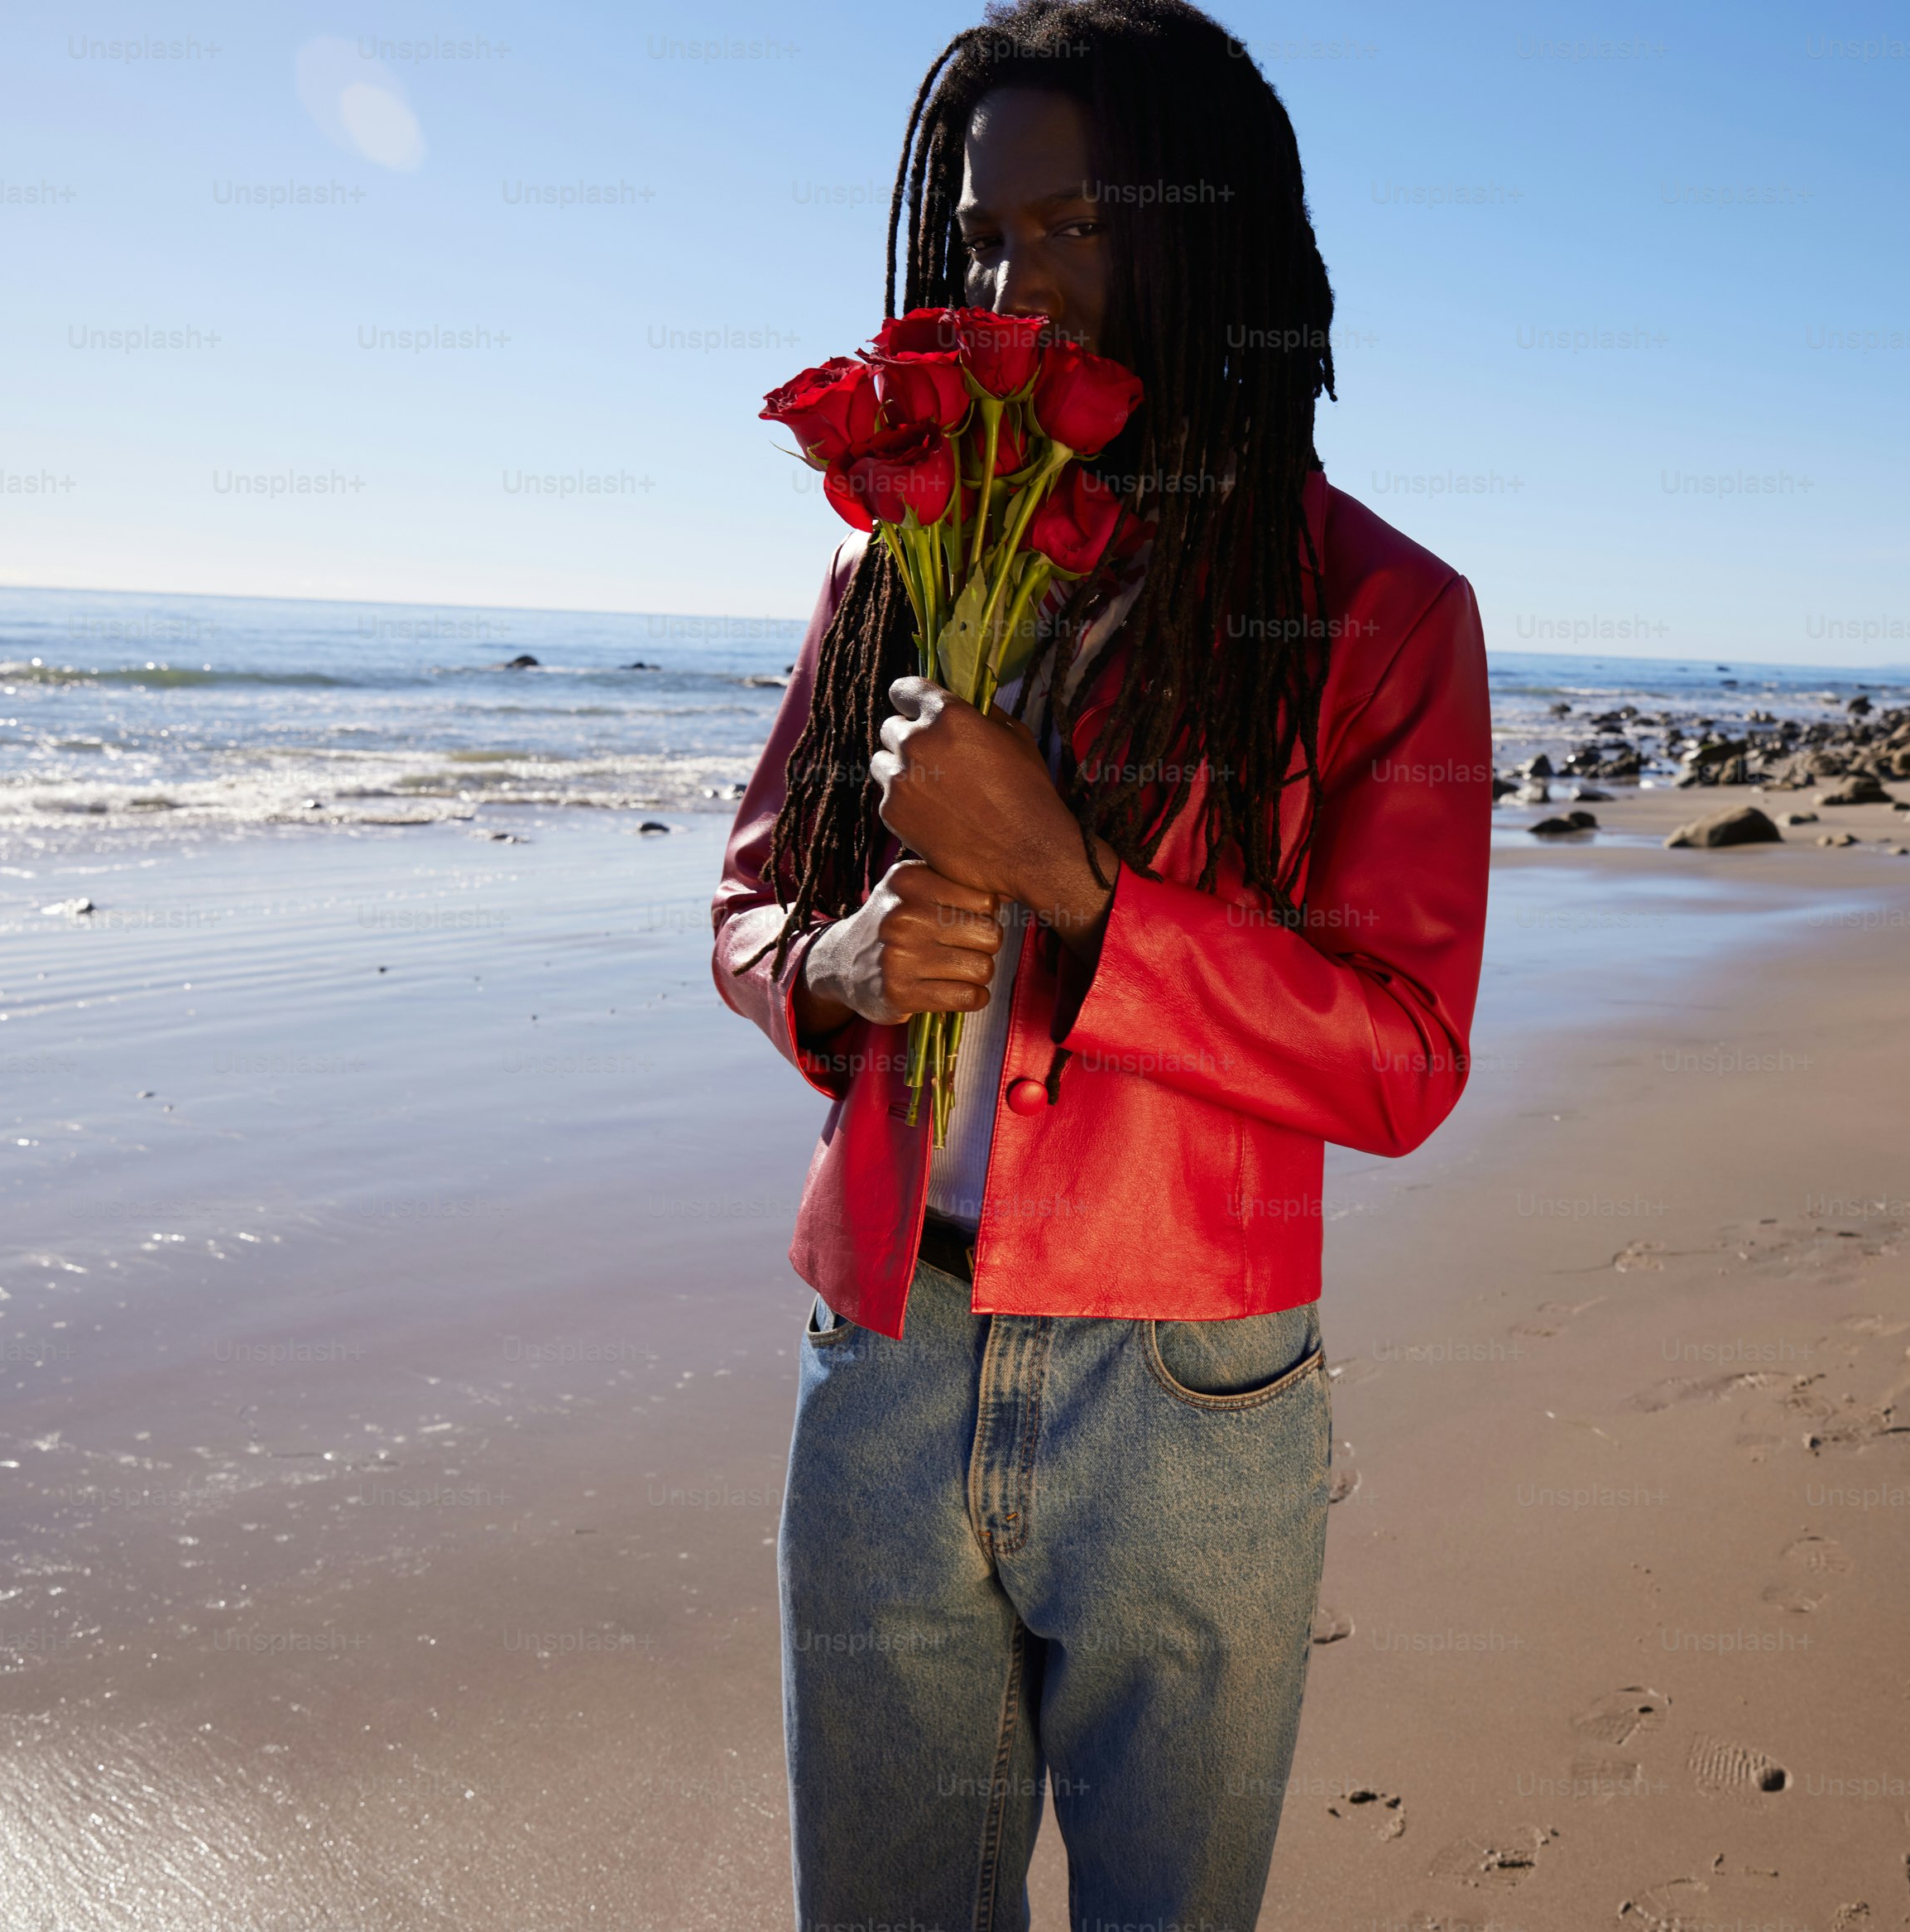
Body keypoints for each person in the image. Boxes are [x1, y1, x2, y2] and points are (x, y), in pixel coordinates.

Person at [710, 2, 1489, 1924]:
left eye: (1070, 227)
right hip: (880, 1345)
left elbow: (1400, 1063)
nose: (1014, 283)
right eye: (984, 238)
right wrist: (844, 960)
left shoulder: (1381, 611)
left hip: (1192, 1385)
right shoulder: (895, 554)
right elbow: (741, 916)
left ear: (1199, 228)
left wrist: (1074, 882)